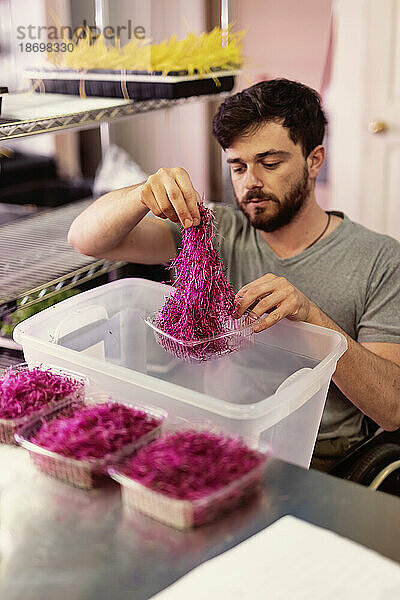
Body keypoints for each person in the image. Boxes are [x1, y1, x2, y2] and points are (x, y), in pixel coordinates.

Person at [68, 78, 400, 472]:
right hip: (218, 435)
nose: (251, 183)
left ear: (314, 160)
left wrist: (311, 318)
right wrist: (141, 193)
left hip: (318, 458)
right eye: (238, 166)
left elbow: (392, 409)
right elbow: (86, 240)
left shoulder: (379, 259)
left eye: (270, 163)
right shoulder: (215, 230)